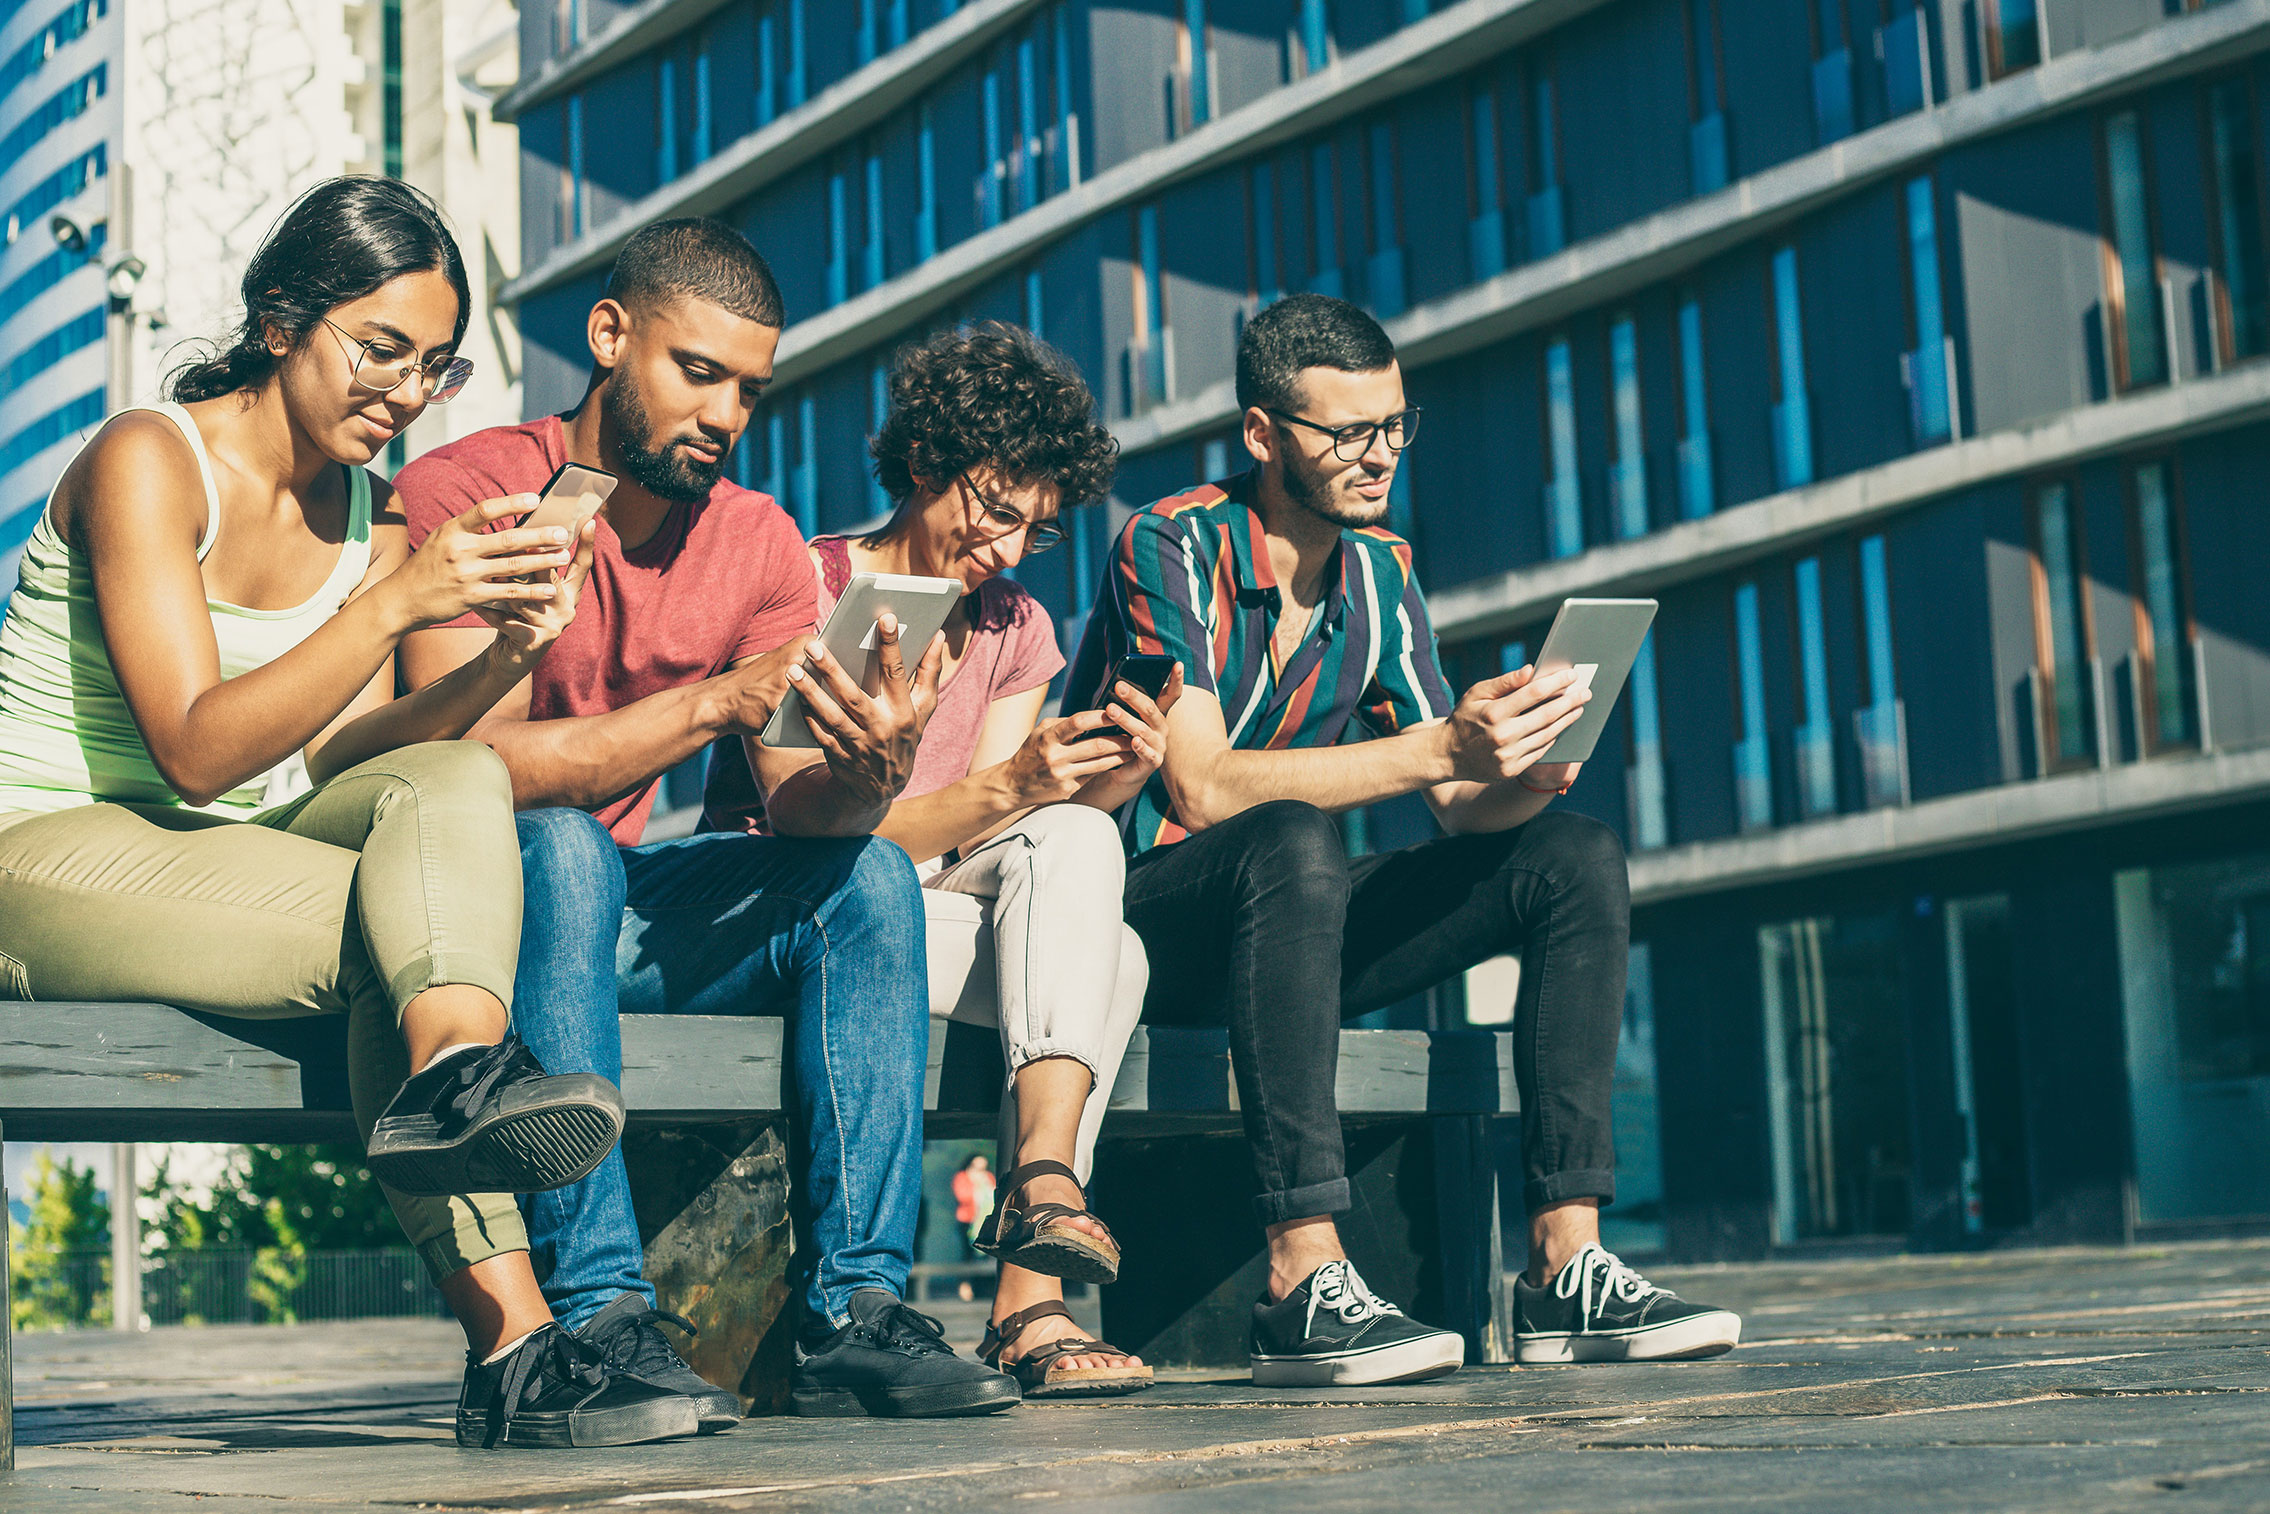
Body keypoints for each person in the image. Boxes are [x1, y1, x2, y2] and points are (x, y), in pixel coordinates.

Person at [0, 176, 703, 1450]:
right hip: (46, 843)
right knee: (405, 920)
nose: (404, 392)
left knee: (458, 775)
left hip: (229, 852)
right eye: (377, 349)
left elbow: (340, 752)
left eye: (433, 366)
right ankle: (518, 1344)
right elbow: (197, 748)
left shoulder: (366, 517)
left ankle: (455, 1070)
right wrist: (389, 604)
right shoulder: (146, 459)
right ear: (282, 321)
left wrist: (496, 657)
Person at [392, 217, 1017, 1422]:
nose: (726, 413)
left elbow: (796, 807)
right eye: (698, 372)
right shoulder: (468, 490)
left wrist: (872, 765)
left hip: (619, 915)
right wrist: (714, 701)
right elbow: (474, 771)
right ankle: (598, 1317)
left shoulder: (759, 539)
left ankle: (854, 1311)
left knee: (868, 882)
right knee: (563, 846)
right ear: (610, 336)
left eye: (750, 388)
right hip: (473, 925)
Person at [1069, 292, 1743, 1382]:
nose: (1377, 455)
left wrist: (1519, 770)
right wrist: (1442, 747)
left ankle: (1562, 1263)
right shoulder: (1169, 542)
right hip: (1145, 933)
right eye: (1345, 433)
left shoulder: (1380, 570)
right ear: (1261, 435)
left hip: (1294, 926)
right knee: (1291, 837)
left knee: (1573, 857)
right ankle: (1300, 1278)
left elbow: (1457, 805)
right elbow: (1197, 782)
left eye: (1391, 426)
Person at [702, 321, 1165, 1399]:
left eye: (1036, 530)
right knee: (1117, 966)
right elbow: (807, 826)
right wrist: (1012, 788)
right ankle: (1031, 1300)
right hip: (790, 906)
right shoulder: (806, 587)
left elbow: (984, 833)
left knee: (1094, 863)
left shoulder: (1014, 627)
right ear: (924, 464)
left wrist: (1109, 776)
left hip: (932, 909)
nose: (1008, 550)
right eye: (997, 512)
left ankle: (1035, 1202)